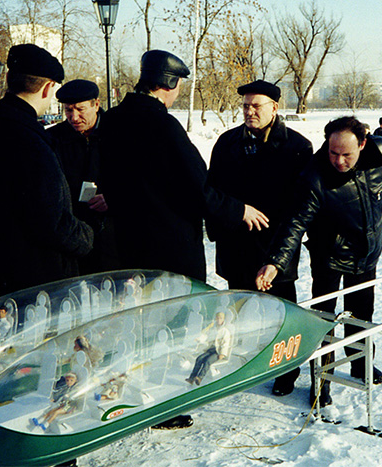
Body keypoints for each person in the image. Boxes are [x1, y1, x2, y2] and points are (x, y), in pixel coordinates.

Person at [98, 50, 268, 429]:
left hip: (126, 243)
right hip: (169, 248)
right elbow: (198, 188)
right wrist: (239, 210)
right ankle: (162, 405)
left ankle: (132, 396)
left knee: (136, 326)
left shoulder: (112, 121)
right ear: (169, 83)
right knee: (169, 329)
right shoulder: (162, 126)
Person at [256, 116, 382, 406]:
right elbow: (294, 223)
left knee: (362, 313)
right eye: (333, 153)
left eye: (346, 154)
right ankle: (322, 380)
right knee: (324, 319)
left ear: (363, 144)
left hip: (367, 252)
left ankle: (359, 363)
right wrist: (275, 262)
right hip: (329, 256)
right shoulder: (314, 177)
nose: (339, 161)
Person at [205, 79, 312, 397]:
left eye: (257, 105)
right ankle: (243, 365)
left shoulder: (297, 147)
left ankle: (286, 370)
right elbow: (212, 192)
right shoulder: (226, 143)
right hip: (236, 243)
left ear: (274, 108)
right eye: (246, 106)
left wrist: (279, 255)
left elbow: (299, 207)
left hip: (274, 246)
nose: (250, 111)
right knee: (239, 313)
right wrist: (230, 219)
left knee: (282, 313)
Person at [0, 44, 94, 299]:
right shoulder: (29, 139)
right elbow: (51, 222)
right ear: (47, 88)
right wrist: (87, 237)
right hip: (40, 278)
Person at [48, 79, 119, 274]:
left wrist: (114, 198)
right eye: (68, 110)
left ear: (96, 105)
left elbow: (138, 178)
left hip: (114, 237)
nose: (74, 117)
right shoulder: (54, 139)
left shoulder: (118, 134)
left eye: (80, 109)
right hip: (75, 238)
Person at [185, 311, 233, 386]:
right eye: (217, 318)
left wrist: (222, 353)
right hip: (210, 349)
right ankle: (192, 378)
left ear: (223, 320)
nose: (218, 320)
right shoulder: (213, 329)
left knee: (207, 361)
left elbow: (226, 344)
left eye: (220, 318)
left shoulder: (225, 331)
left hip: (218, 352)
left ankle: (199, 378)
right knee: (199, 358)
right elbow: (206, 336)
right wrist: (199, 339)